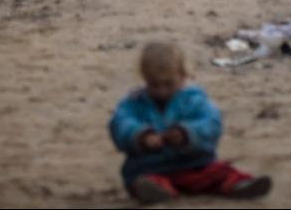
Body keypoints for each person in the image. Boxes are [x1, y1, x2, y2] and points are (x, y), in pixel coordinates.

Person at [109, 42, 272, 204]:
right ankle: (158, 192)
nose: (161, 91)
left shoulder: (194, 100)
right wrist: (141, 136)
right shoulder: (134, 102)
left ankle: (238, 184)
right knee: (144, 182)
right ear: (145, 79)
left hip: (194, 164)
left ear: (183, 76)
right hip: (151, 168)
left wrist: (186, 134)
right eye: (154, 85)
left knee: (220, 172)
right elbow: (120, 124)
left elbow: (212, 124)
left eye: (168, 84)